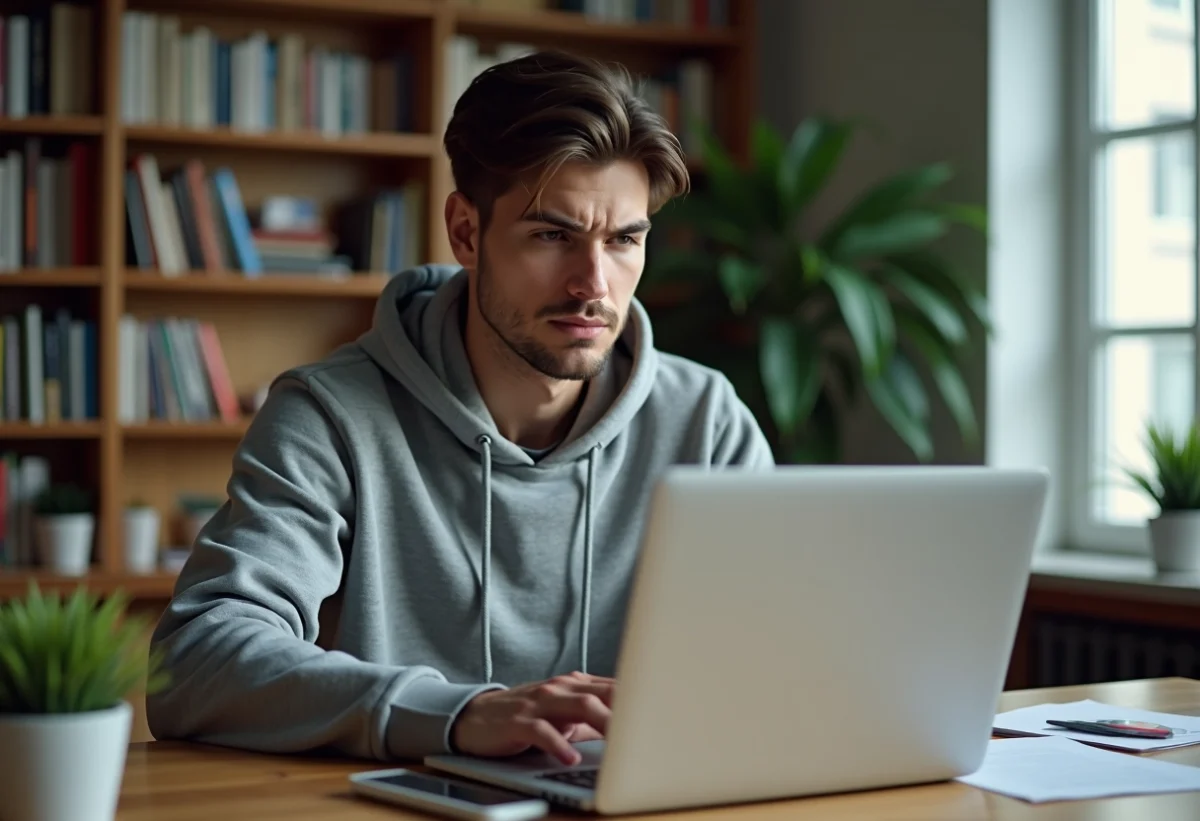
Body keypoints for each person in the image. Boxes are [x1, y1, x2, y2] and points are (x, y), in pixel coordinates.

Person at [146, 49, 774, 767]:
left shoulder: (707, 423)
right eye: (552, 235)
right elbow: (194, 661)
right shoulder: (330, 416)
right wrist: (456, 713)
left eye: (624, 240)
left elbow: (786, 655)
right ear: (466, 231)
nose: (592, 284)